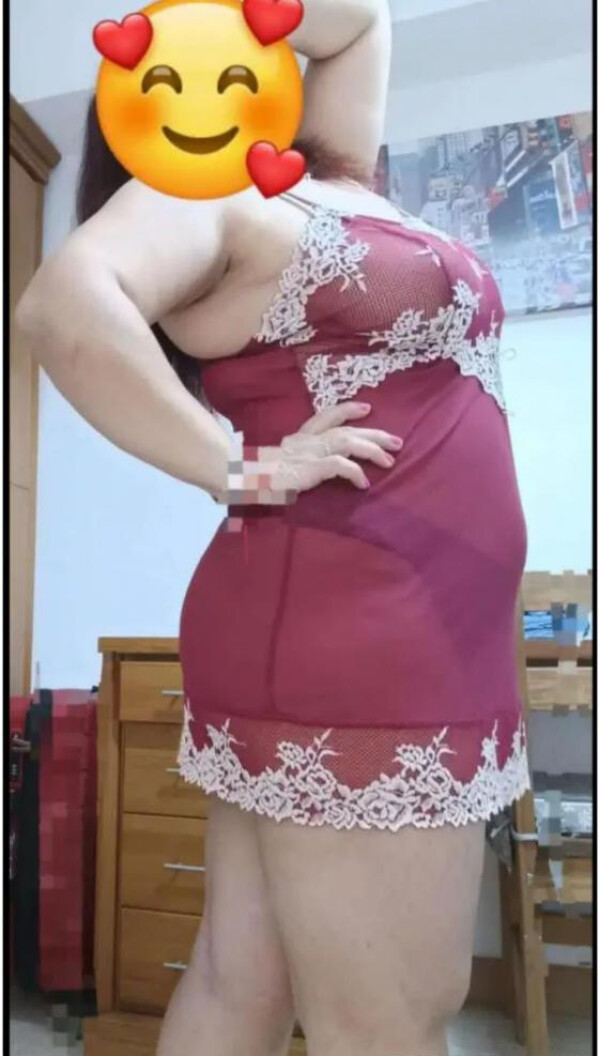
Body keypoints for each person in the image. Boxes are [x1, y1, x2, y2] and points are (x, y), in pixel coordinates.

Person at [15, 1, 530, 1053]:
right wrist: (236, 467)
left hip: (383, 621)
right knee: (390, 1019)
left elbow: (358, 22)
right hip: (366, 627)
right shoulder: (202, 189)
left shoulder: (322, 175)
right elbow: (62, 307)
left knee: (242, 980)